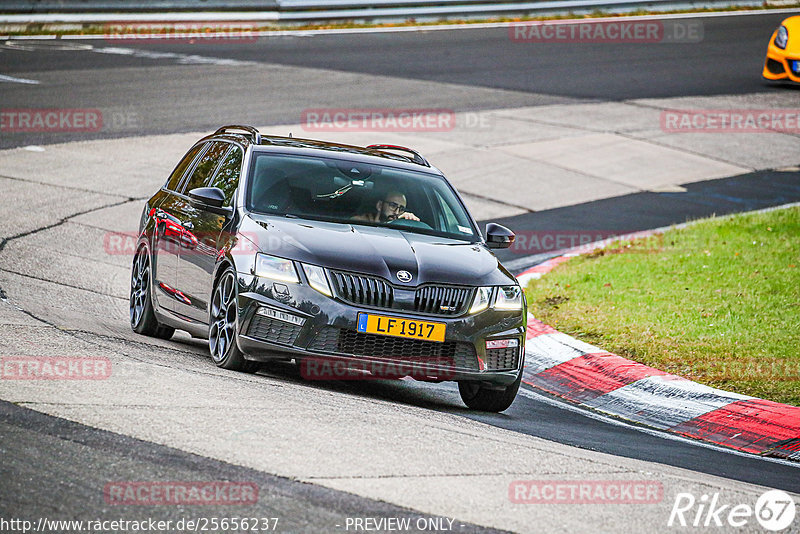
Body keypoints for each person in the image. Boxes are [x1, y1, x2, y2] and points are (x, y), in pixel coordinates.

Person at [352, 191, 420, 223]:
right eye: (393, 205)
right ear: (380, 205)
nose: (396, 212)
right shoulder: (360, 222)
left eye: (401, 209)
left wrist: (411, 222)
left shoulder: (402, 227)